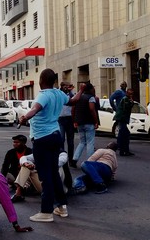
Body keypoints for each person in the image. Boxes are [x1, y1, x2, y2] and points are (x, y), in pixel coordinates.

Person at [18, 68, 83, 223]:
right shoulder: (59, 94)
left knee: (45, 176)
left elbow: (35, 109)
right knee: (53, 173)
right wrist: (81, 90)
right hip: (55, 136)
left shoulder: (43, 95)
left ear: (41, 80)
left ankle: (46, 212)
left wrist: (24, 118)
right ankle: (61, 207)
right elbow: (73, 101)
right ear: (54, 81)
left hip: (42, 139)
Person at [71, 82, 99, 165]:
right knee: (90, 142)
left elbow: (73, 109)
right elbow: (92, 109)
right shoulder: (91, 98)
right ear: (90, 89)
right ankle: (90, 161)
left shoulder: (78, 97)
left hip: (80, 122)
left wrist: (74, 120)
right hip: (89, 122)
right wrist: (96, 121)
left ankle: (74, 159)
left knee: (82, 142)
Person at [58, 82, 76, 166]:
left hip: (69, 118)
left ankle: (71, 160)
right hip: (60, 118)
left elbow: (74, 100)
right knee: (61, 139)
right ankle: (62, 158)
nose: (66, 88)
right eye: (64, 86)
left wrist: (71, 91)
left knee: (70, 141)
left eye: (67, 87)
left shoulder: (71, 94)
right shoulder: (59, 94)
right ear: (61, 87)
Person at [114, 88, 135, 156]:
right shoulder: (125, 99)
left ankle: (124, 150)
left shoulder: (126, 99)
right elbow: (126, 108)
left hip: (122, 119)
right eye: (129, 94)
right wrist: (132, 102)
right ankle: (122, 150)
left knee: (124, 134)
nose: (131, 95)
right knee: (124, 134)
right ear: (127, 93)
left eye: (131, 94)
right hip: (122, 118)